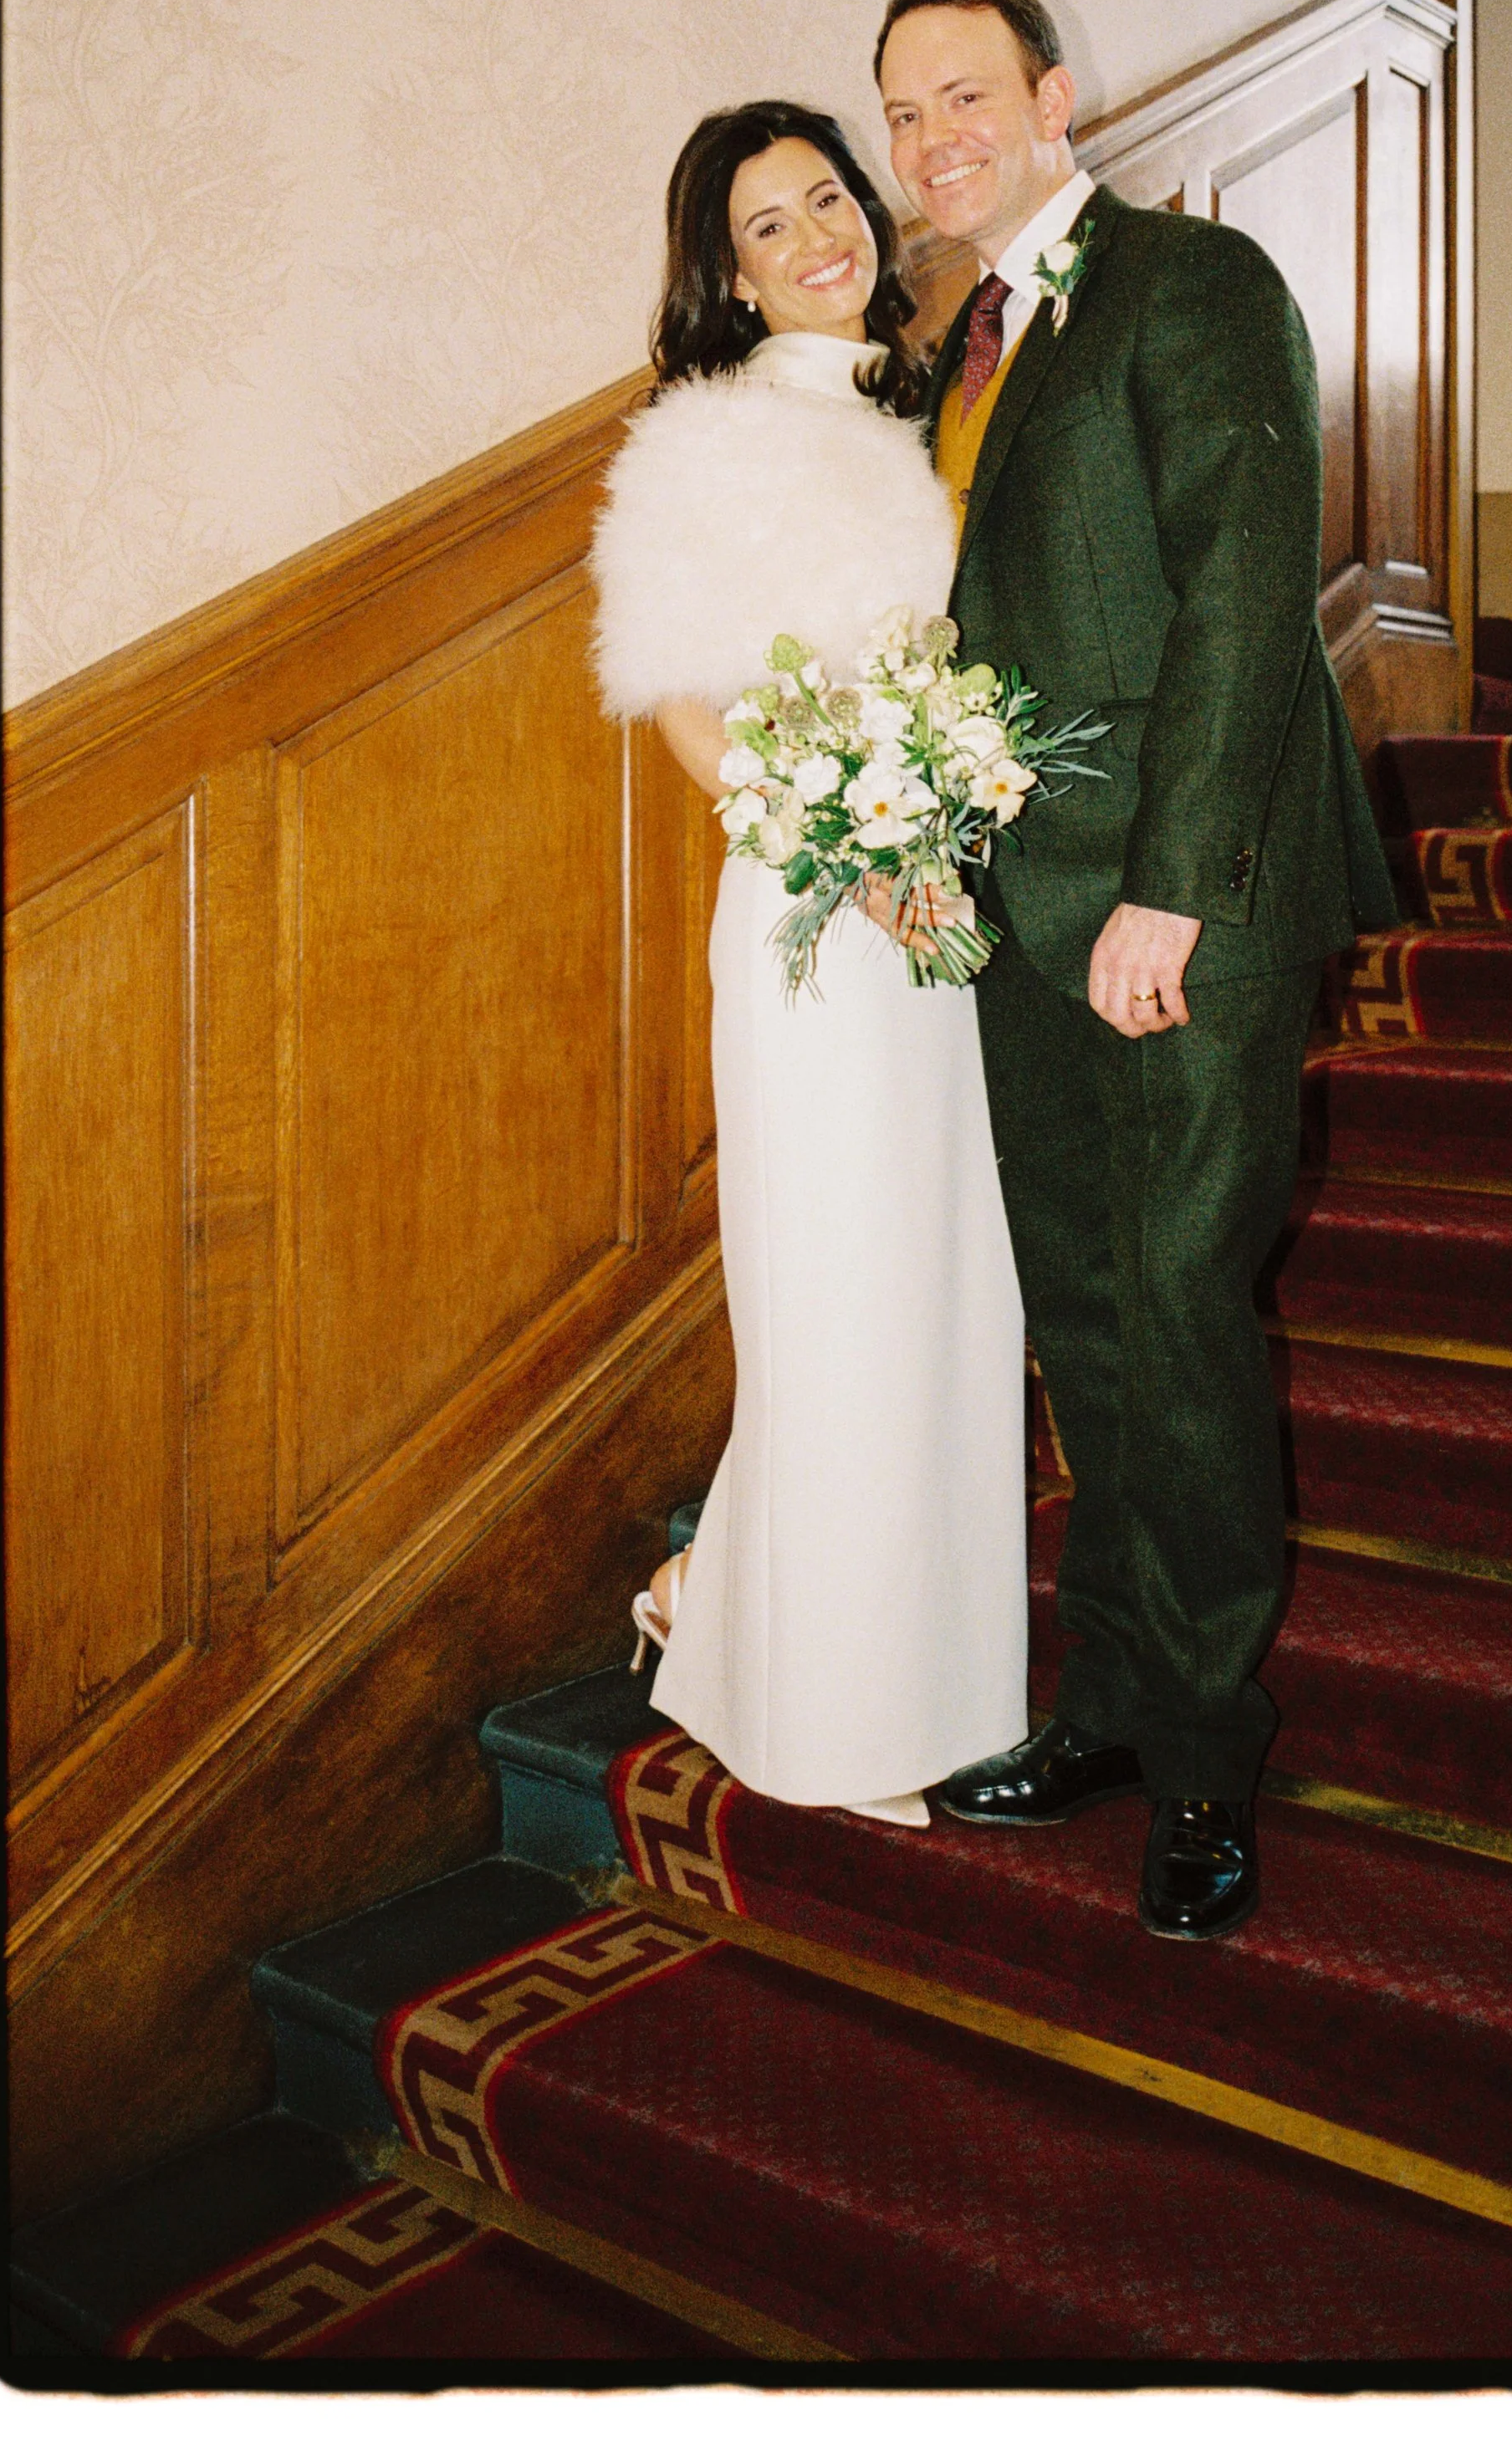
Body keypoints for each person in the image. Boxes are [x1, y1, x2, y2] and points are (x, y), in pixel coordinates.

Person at [876, 0, 1397, 1938]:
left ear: (1052, 92)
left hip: (1184, 907)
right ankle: (1108, 1693)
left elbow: (1246, 593)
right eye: (903, 112)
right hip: (1019, 922)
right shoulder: (954, 358)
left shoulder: (1191, 283)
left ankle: (1203, 1758)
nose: (933, 138)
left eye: (963, 92)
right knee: (1082, 1322)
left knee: (1177, 1319)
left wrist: (1168, 890)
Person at [587, 100, 1028, 1827]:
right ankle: (843, 1720)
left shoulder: (920, 411)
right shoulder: (706, 437)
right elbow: (692, 712)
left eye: (825, 198)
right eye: (764, 226)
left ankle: (733, 1604)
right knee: (840, 1293)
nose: (813, 236)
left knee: (928, 1290)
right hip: (815, 913)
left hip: (932, 906)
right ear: (726, 273)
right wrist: (858, 864)